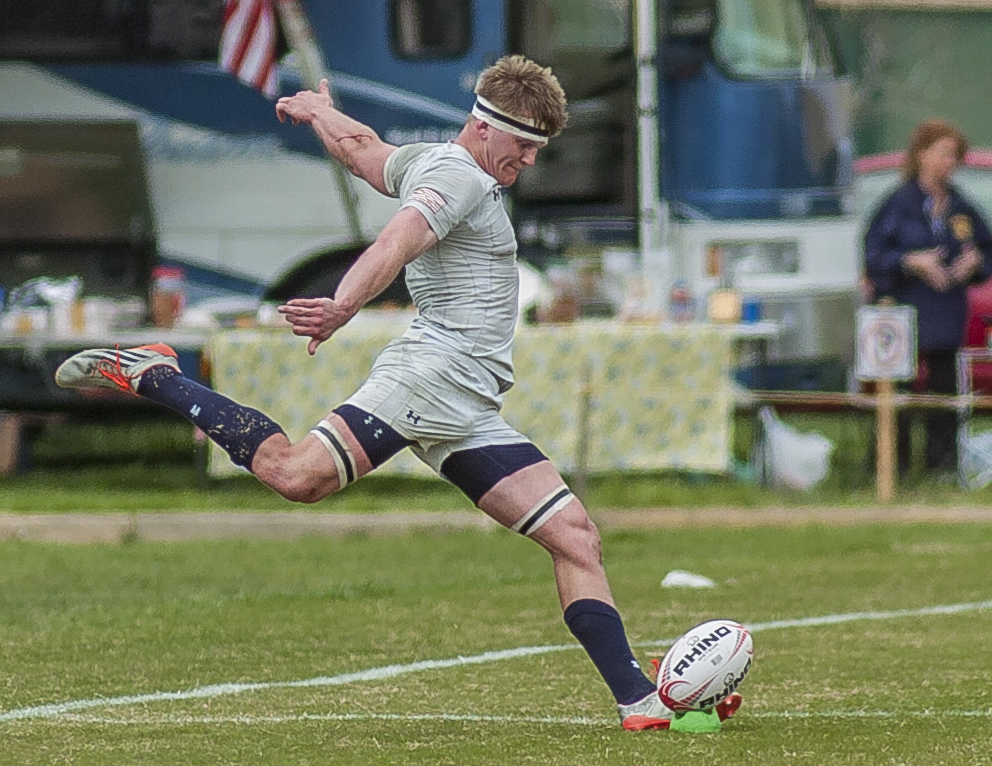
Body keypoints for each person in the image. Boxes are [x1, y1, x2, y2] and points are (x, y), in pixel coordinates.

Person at [54, 55, 741, 730]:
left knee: (575, 537)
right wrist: (342, 305)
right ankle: (155, 373)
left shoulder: (437, 162)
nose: (530, 162)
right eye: (525, 145)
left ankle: (638, 702)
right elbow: (396, 240)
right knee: (297, 476)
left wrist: (321, 110)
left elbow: (364, 151)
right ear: (486, 125)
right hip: (429, 377)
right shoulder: (459, 178)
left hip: (467, 404)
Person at [865, 119, 992, 479]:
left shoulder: (961, 207)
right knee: (898, 393)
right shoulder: (898, 204)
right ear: (922, 154)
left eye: (955, 155)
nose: (950, 161)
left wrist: (975, 262)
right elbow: (874, 257)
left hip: (946, 316)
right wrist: (911, 262)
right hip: (903, 316)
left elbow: (985, 248)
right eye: (944, 153)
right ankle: (894, 467)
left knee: (943, 393)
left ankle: (943, 466)